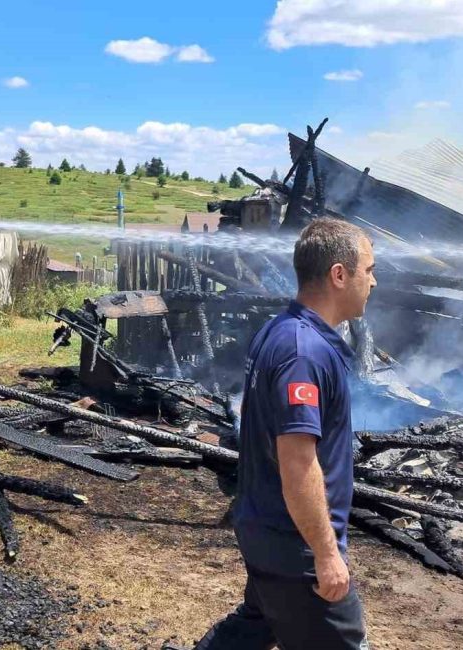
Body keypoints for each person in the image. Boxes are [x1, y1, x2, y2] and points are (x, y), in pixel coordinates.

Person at [195, 218, 377, 650]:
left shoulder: (281, 333)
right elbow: (298, 464)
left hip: (267, 531)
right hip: (296, 547)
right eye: (368, 270)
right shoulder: (303, 352)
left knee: (254, 627)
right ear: (339, 274)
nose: (374, 281)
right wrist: (326, 555)